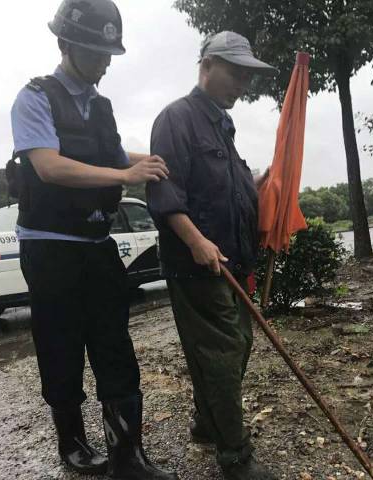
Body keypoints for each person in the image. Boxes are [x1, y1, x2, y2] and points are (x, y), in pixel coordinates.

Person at [10, 1, 177, 478]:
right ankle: (73, 444)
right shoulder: (35, 97)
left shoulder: (101, 106)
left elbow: (118, 157)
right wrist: (126, 176)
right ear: (66, 44)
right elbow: (49, 166)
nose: (105, 62)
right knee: (60, 346)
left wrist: (159, 160)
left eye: (109, 54)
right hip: (50, 246)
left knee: (114, 345)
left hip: (97, 242)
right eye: (96, 52)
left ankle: (128, 455)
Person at [147, 31, 277, 480]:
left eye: (247, 76)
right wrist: (196, 241)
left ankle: (207, 421)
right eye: (235, 73)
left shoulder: (223, 124)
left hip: (233, 262)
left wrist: (260, 185)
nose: (243, 84)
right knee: (222, 353)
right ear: (206, 67)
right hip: (197, 265)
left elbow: (225, 189)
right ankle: (235, 456)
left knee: (238, 345)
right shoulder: (176, 119)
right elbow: (165, 194)